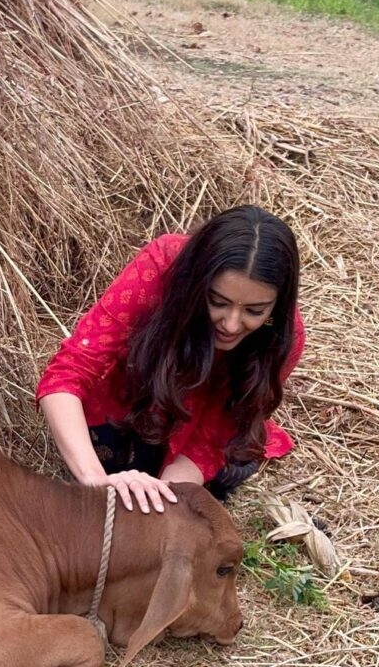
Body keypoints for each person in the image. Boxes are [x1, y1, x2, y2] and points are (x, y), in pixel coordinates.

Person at [36, 205, 304, 514]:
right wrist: (95, 479)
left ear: (278, 304)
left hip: (200, 430)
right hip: (131, 403)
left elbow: (217, 433)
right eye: (217, 302)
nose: (231, 324)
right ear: (196, 282)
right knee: (108, 458)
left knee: (228, 465)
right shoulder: (161, 268)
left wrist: (168, 494)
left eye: (254, 311)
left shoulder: (284, 335)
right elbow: (69, 370)